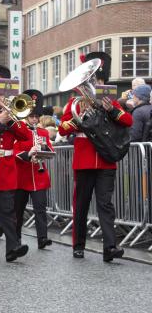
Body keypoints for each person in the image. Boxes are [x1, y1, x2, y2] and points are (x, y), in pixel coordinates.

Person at [58, 51, 133, 262]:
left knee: (105, 205)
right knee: (81, 204)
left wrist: (111, 111)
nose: (95, 84)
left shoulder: (110, 100)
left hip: (106, 161)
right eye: (92, 80)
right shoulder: (75, 101)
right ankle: (78, 245)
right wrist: (77, 118)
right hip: (84, 159)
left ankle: (110, 247)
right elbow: (63, 129)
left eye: (98, 80)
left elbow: (128, 121)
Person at [0, 65, 30, 261]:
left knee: (8, 212)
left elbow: (25, 136)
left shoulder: (10, 114)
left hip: (7, 168)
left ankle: (13, 248)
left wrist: (12, 119)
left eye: (2, 95)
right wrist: (0, 121)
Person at [13, 89, 53, 249]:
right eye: (32, 117)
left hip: (38, 175)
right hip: (21, 176)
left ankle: (42, 238)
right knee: (18, 211)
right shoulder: (18, 131)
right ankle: (15, 239)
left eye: (37, 117)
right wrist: (28, 154)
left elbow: (50, 149)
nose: (34, 120)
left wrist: (43, 152)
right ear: (26, 116)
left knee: (40, 209)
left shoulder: (42, 132)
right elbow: (14, 151)